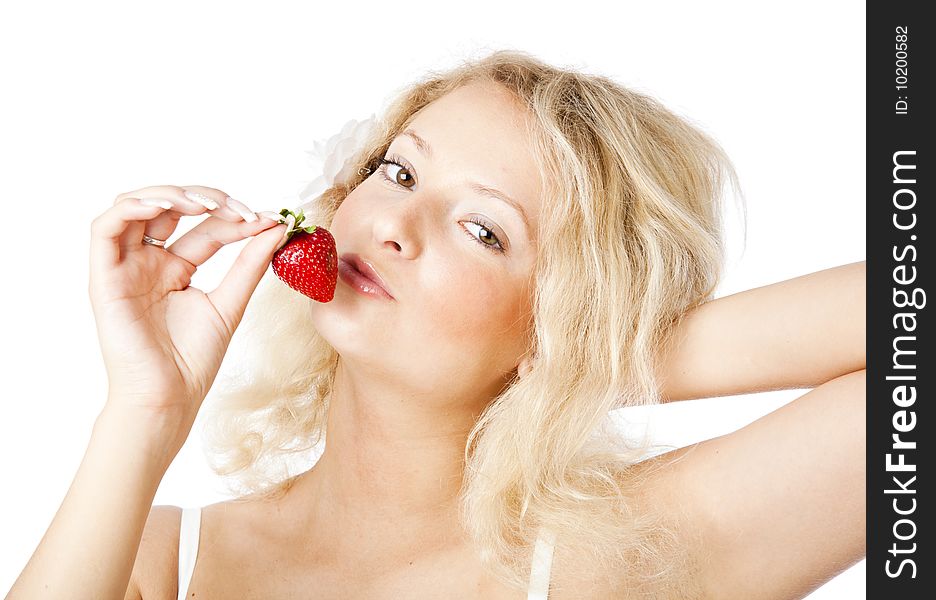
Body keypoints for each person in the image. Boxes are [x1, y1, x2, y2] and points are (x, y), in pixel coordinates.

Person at [7, 49, 865, 599]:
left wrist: (579, 360)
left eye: (483, 229)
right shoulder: (163, 561)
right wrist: (144, 412)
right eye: (399, 171)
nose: (390, 223)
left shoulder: (636, 558)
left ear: (560, 310)